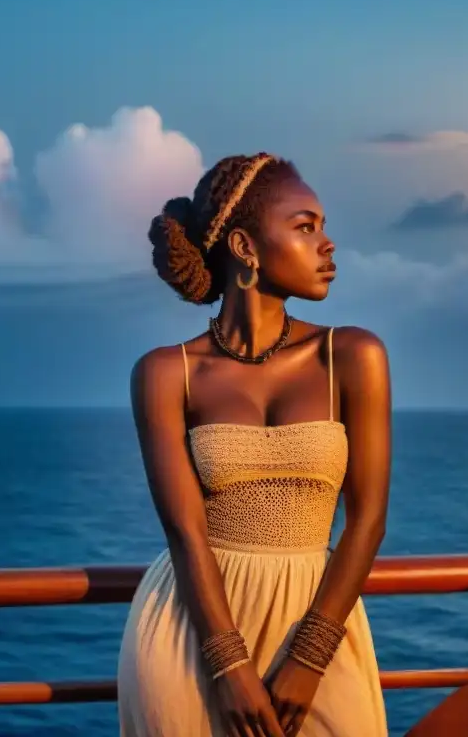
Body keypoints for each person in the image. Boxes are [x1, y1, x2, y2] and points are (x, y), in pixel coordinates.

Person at [117, 152, 391, 737]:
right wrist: (228, 666)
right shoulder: (168, 373)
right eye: (305, 226)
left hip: (317, 624)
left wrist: (311, 657)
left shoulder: (353, 356)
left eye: (322, 226)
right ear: (244, 247)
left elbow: (367, 520)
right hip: (193, 634)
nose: (328, 244)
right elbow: (185, 531)